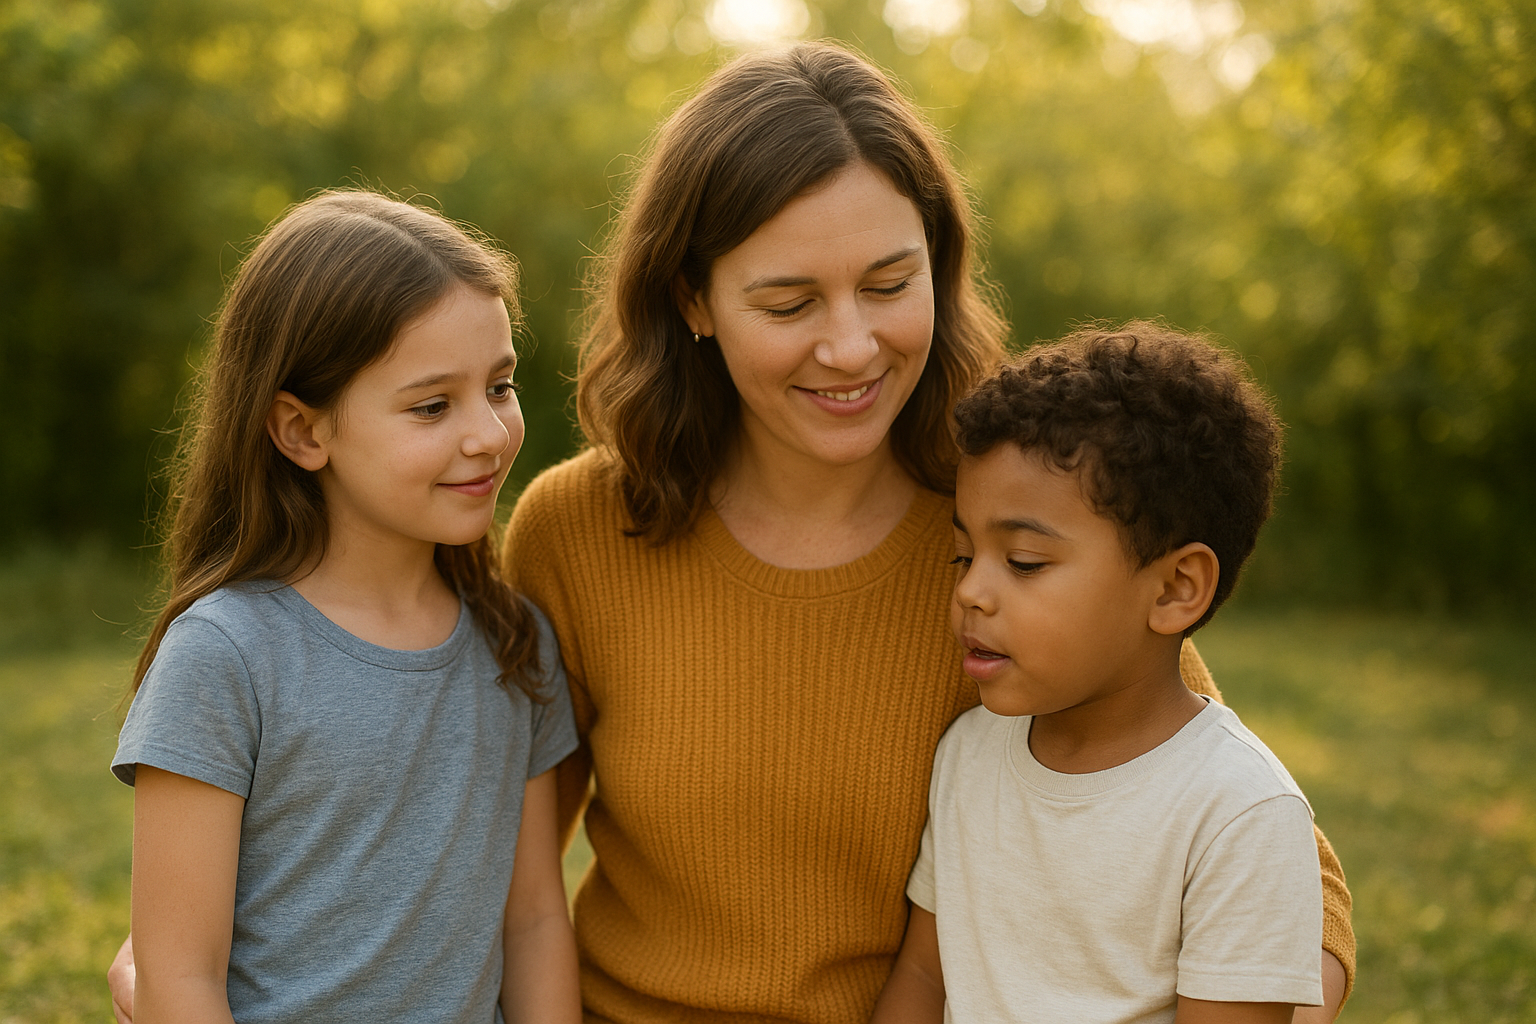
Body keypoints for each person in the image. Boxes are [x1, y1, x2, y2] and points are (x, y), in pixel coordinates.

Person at [501, 43, 1354, 1023]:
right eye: (789, 302)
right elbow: (511, 885)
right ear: (692, 298)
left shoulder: (1014, 530)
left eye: (890, 284)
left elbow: (1299, 888)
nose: (853, 346)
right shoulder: (574, 530)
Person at [108, 191, 581, 1024]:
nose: (488, 434)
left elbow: (536, 918)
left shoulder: (517, 643)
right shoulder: (224, 657)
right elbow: (178, 977)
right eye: (432, 405)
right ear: (301, 432)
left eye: (499, 386)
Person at [869, 323, 1323, 1024]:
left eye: (1023, 562)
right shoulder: (969, 753)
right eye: (963, 556)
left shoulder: (1238, 812)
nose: (971, 591)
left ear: (1175, 589)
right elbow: (926, 975)